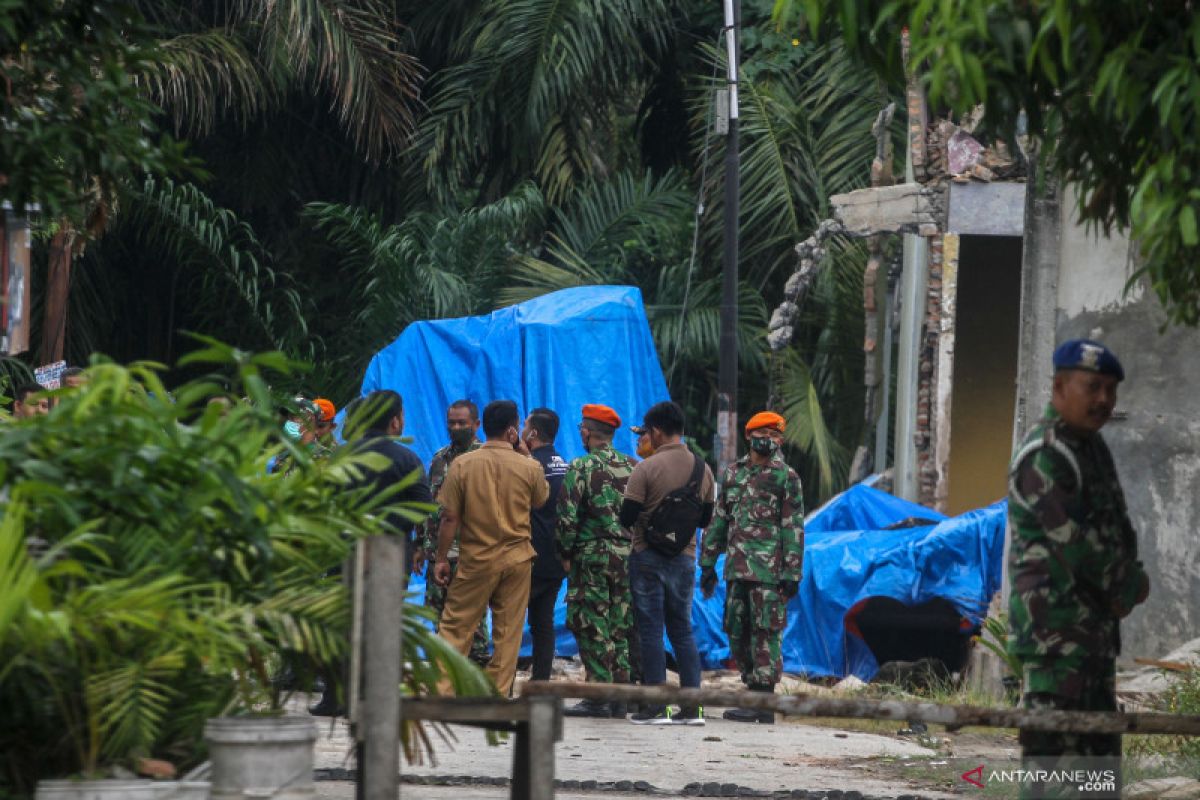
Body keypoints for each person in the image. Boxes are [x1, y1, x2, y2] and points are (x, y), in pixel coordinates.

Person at [1008, 339, 1149, 799]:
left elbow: (1118, 529)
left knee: (1098, 773)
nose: (1103, 400)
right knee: (1057, 775)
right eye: (1092, 387)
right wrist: (1128, 584)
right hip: (1056, 641)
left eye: (1110, 390)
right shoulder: (1045, 455)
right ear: (1059, 386)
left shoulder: (1091, 449)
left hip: (1092, 639)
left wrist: (1129, 577)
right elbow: (1076, 546)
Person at [308, 390, 433, 717]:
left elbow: (321, 504)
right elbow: (423, 507)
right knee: (384, 627)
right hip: (389, 555)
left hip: (344, 551)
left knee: (341, 625)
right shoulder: (407, 459)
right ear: (395, 421)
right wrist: (390, 525)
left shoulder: (339, 457)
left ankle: (334, 698)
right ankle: (377, 698)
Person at [434, 400, 549, 697]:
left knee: (456, 625)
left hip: (476, 558)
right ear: (513, 429)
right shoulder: (530, 467)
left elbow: (449, 517)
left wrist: (440, 558)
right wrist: (524, 453)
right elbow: (540, 501)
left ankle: (443, 690)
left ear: (481, 427)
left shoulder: (462, 465)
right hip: (518, 558)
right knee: (508, 632)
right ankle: (496, 694)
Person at [699, 411, 804, 724]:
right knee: (736, 629)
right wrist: (707, 563)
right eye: (765, 434)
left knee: (765, 631)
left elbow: (793, 527)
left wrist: (791, 572)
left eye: (775, 436)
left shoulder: (787, 477)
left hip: (769, 573)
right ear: (750, 436)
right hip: (736, 569)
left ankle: (763, 701)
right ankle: (752, 690)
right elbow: (719, 520)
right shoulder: (733, 474)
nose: (770, 440)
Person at [618, 400, 714, 725]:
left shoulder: (645, 468)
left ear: (657, 431)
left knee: (650, 630)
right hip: (685, 559)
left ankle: (657, 708)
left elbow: (626, 516)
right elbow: (705, 519)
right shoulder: (704, 469)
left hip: (647, 555)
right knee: (683, 630)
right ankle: (693, 709)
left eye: (647, 431)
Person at [556, 404, 638, 718]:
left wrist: (565, 554)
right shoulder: (633, 466)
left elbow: (567, 517)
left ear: (587, 432)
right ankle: (620, 693)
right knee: (619, 625)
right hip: (626, 556)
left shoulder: (582, 466)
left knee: (590, 623)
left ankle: (597, 695)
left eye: (581, 429)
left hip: (591, 557)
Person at [413, 399, 490, 666]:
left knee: (474, 624)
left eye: (462, 423)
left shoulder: (485, 459)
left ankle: (476, 682)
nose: (456, 428)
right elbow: (429, 507)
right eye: (452, 423)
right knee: (437, 621)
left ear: (476, 424)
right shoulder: (439, 459)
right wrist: (421, 545)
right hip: (439, 555)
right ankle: (444, 678)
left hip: (471, 554)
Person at [523, 407, 568, 683]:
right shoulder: (565, 465)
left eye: (526, 425)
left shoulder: (530, 467)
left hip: (530, 555)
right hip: (556, 558)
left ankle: (502, 681)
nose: (523, 429)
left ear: (534, 433)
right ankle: (540, 681)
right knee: (544, 623)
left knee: (511, 620)